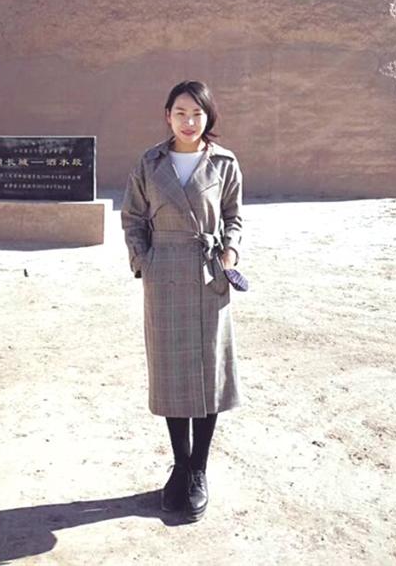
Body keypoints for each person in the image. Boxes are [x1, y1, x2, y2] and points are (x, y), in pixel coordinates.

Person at [121, 79, 244, 521]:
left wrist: (229, 254)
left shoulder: (225, 163)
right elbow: (132, 217)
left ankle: (198, 471)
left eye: (197, 113)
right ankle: (179, 464)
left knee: (208, 371)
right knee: (172, 372)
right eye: (180, 113)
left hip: (209, 273)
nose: (189, 122)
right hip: (164, 274)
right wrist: (144, 261)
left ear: (208, 117)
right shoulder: (150, 162)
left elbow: (234, 217)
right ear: (167, 116)